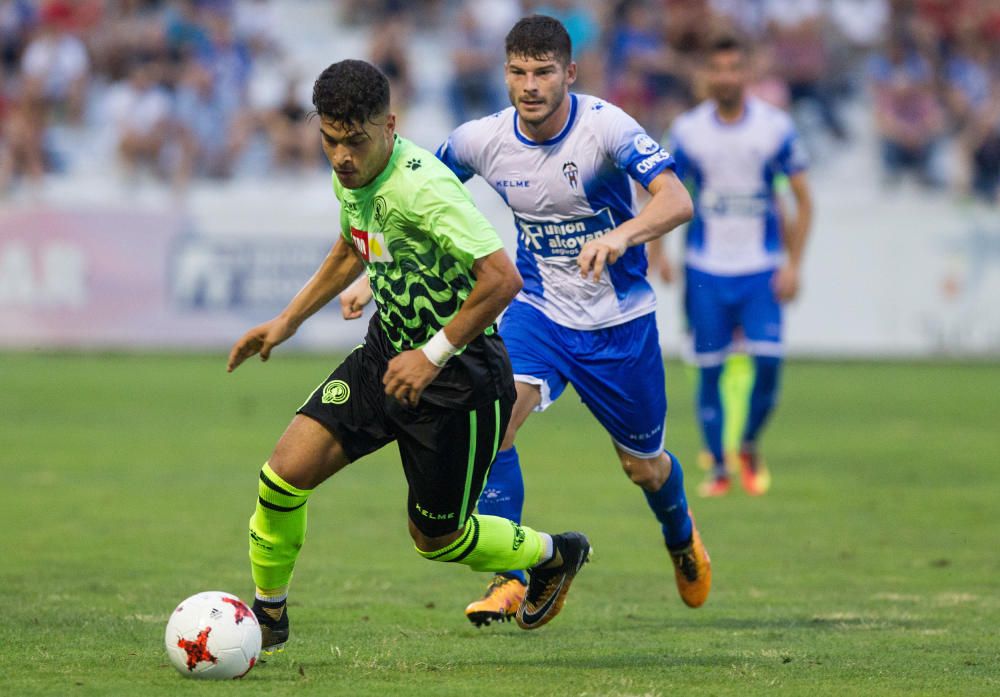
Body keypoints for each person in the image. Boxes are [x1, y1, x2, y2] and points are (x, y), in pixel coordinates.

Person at [342, 15, 710, 628]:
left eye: (544, 72)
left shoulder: (605, 128)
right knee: (498, 421)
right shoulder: (479, 140)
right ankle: (513, 575)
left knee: (642, 466)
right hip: (537, 310)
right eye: (518, 71)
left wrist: (621, 236)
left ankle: (680, 534)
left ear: (569, 72)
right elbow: (409, 201)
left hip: (618, 324)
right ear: (505, 73)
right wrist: (368, 273)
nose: (530, 85)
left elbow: (676, 198)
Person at [226, 59, 592, 653]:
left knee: (439, 540)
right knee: (281, 477)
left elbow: (502, 279)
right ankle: (268, 618)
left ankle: (556, 554)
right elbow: (352, 243)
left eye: (354, 142)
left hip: (460, 380)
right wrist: (286, 321)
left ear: (389, 125)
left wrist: (434, 353)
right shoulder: (354, 175)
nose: (341, 156)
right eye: (330, 141)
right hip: (384, 357)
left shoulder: (424, 186)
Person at [666, 35, 813, 497]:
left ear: (747, 73)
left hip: (760, 269)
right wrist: (656, 253)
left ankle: (747, 443)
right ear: (707, 75)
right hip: (705, 269)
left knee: (768, 365)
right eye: (718, 68)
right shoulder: (689, 131)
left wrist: (794, 264)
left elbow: (803, 198)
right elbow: (661, 189)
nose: (726, 76)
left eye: (734, 67)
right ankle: (720, 471)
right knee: (708, 369)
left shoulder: (774, 128)